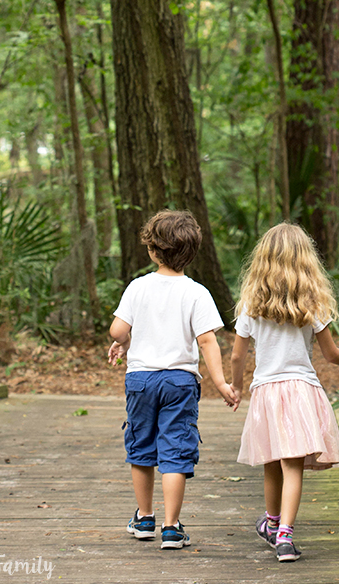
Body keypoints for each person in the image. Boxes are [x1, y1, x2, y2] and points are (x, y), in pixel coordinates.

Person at [230, 222, 339, 563]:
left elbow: (237, 354)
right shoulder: (312, 303)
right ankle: (285, 535)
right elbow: (331, 354)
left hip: (266, 393)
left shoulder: (250, 304)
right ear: (306, 262)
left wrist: (236, 385)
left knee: (272, 463)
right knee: (292, 466)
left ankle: (274, 524)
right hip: (300, 391)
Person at [108, 209, 238, 551]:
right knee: (175, 450)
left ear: (152, 251)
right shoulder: (196, 293)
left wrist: (123, 340)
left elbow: (118, 330)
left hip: (141, 381)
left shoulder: (138, 287)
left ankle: (145, 518)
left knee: (141, 447)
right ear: (192, 253)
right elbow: (207, 340)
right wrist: (222, 383)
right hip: (180, 382)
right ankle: (170, 528)